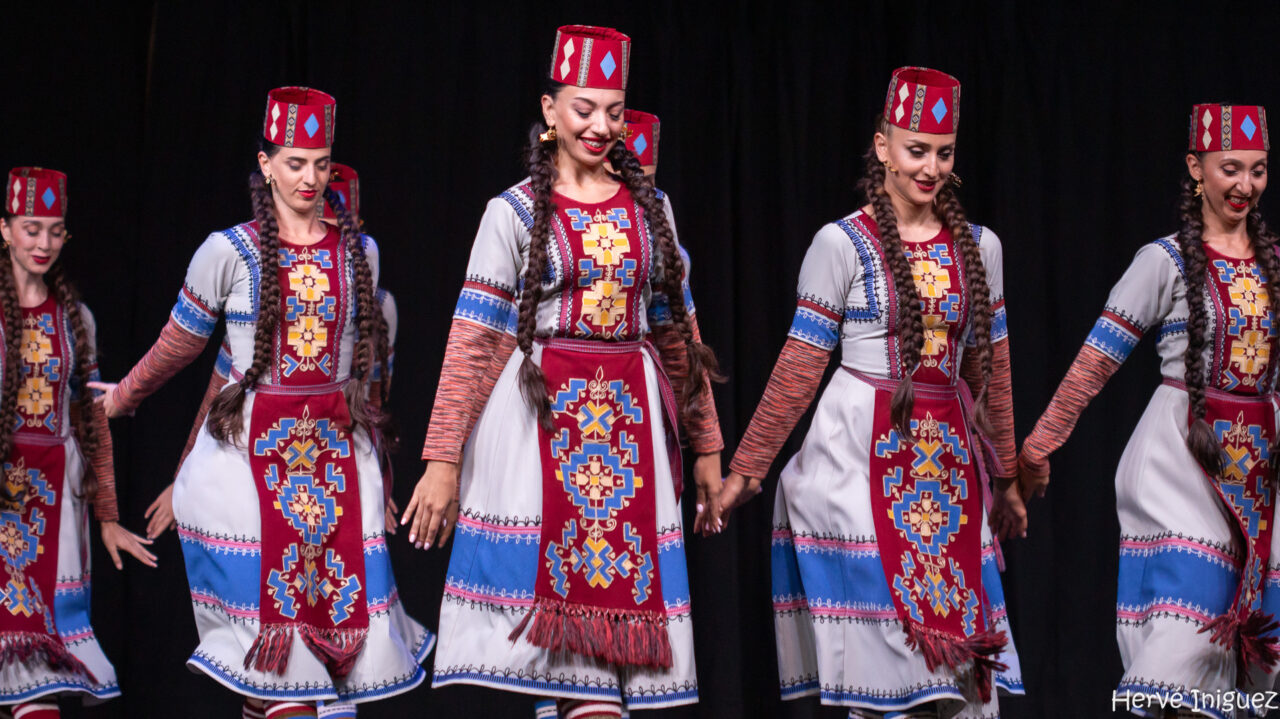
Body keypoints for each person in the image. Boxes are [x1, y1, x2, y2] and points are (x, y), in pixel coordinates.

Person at [405, 25, 724, 718]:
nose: (602, 125)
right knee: (567, 657)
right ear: (550, 111)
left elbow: (676, 331)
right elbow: (475, 340)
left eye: (614, 110)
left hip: (630, 432)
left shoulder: (652, 210)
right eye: (584, 108)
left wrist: (705, 445)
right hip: (538, 426)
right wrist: (442, 460)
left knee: (598, 659)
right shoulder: (511, 212)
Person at [96, 88, 431, 717]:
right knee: (281, 670)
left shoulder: (361, 252)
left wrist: (381, 474)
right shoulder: (228, 251)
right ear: (266, 163)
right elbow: (183, 348)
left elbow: (366, 381)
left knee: (311, 676)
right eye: (296, 162)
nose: (310, 177)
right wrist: (122, 397)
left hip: (335, 470)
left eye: (322, 163)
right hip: (247, 467)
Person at [715, 67, 1025, 718]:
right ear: (882, 146)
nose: (931, 166)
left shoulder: (980, 248)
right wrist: (749, 465)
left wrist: (1007, 476)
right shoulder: (842, 243)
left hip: (944, 463)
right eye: (916, 150)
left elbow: (988, 373)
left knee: (958, 665)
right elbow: (800, 363)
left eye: (943, 153)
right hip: (857, 452)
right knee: (889, 659)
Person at [1018, 103, 1280, 713]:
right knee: (1181, 646)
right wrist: (1037, 448)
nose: (1245, 184)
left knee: (1258, 665)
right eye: (1231, 168)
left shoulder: (1275, 266)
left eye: (1259, 170)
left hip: (1261, 467)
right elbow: (1094, 362)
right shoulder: (1162, 261)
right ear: (1196, 167)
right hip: (1181, 461)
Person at [142, 163, 403, 540]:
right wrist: (184, 473)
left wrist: (377, 475)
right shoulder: (266, 304)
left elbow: (372, 397)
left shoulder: (380, 306)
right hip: (264, 467)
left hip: (339, 466)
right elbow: (220, 391)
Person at [0, 167, 154, 717]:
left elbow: (91, 424)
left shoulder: (75, 321)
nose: (43, 243)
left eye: (55, 231)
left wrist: (108, 515)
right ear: (5, 229)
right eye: (31, 228)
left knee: (36, 676)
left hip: (55, 509)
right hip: (3, 502)